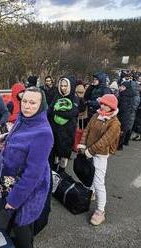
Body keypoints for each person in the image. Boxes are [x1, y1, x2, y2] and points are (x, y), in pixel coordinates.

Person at [0, 87, 54, 248]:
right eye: (25, 101)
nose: (27, 106)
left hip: (28, 190)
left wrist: (14, 200)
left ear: (41, 106)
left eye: (33, 103)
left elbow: (33, 174)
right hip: (12, 181)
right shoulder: (22, 119)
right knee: (14, 221)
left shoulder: (44, 133)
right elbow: (20, 143)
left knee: (23, 228)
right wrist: (5, 142)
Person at [77, 94, 121, 226]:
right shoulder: (96, 115)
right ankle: (92, 193)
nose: (103, 106)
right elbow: (86, 130)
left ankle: (100, 211)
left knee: (98, 182)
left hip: (100, 155)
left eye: (106, 104)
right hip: (88, 150)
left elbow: (104, 141)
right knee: (89, 176)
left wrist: (90, 151)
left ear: (112, 107)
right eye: (102, 103)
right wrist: (83, 145)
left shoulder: (115, 123)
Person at [48, 76, 79, 173]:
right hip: (55, 130)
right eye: (61, 85)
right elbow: (50, 110)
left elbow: (71, 114)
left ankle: (62, 173)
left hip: (67, 132)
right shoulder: (57, 96)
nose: (63, 88)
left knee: (64, 155)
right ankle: (53, 174)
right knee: (54, 154)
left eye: (65, 86)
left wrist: (57, 111)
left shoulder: (75, 98)